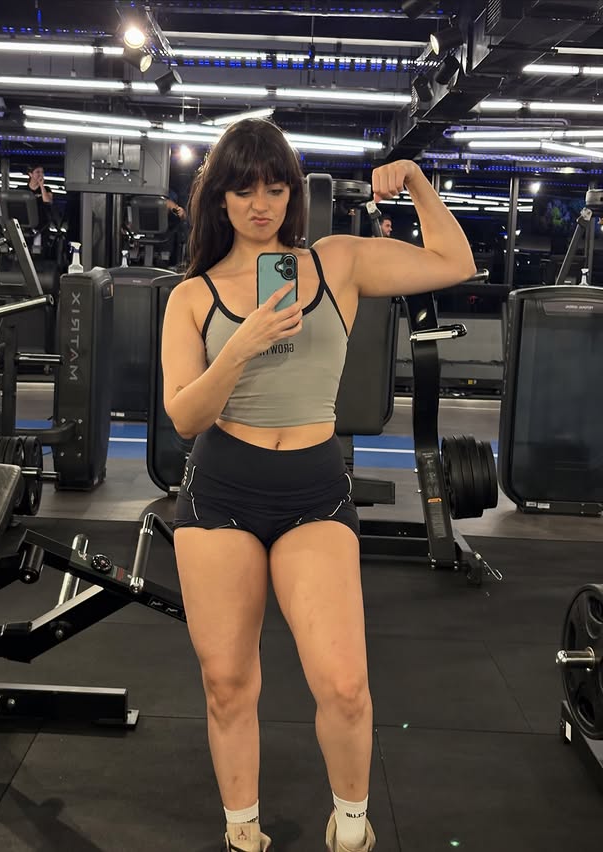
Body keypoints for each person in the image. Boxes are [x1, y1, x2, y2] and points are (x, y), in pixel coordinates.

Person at [161, 119, 475, 852]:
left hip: (312, 490)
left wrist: (417, 180)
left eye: (275, 189)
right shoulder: (193, 297)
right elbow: (185, 417)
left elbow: (454, 261)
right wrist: (239, 347)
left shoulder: (337, 262)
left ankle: (352, 830)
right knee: (228, 684)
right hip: (222, 491)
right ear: (220, 197)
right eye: (245, 189)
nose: (260, 204)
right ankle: (243, 832)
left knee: (344, 685)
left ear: (292, 196)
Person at [25, 164, 53, 229]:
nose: (41, 174)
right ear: (30, 174)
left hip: (42, 224)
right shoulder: (23, 189)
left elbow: (47, 201)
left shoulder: (47, 189)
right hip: (27, 222)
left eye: (42, 172)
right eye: (38, 172)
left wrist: (41, 185)